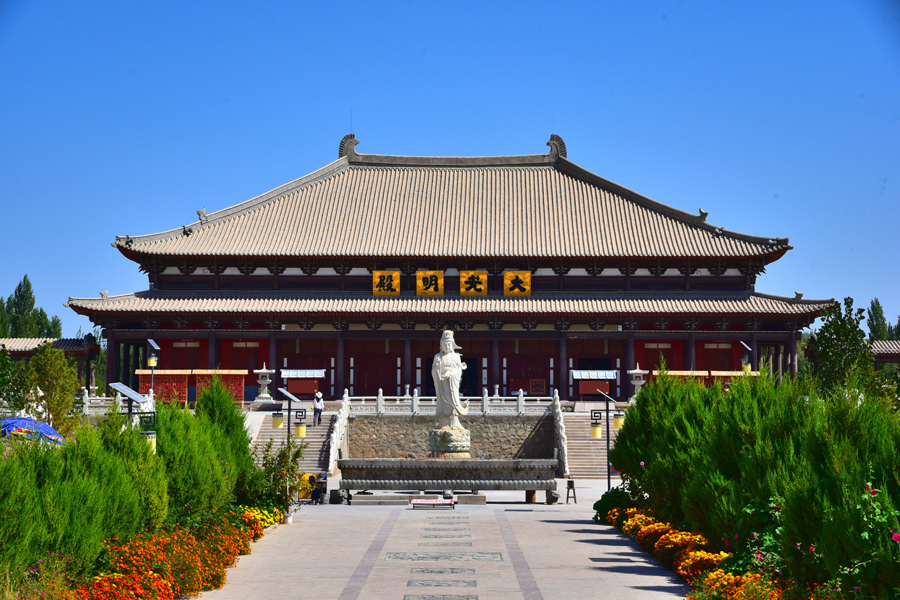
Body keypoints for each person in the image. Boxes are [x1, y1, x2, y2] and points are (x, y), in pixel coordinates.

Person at [432, 330, 468, 429]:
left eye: (449, 344)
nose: (447, 347)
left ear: (452, 345)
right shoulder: (438, 356)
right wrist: (438, 367)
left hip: (452, 384)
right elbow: (433, 371)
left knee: (453, 401)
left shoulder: (456, 356)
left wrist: (450, 374)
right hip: (442, 385)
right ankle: (443, 423)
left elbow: (459, 371)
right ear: (441, 345)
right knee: (443, 401)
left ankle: (454, 423)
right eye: (445, 344)